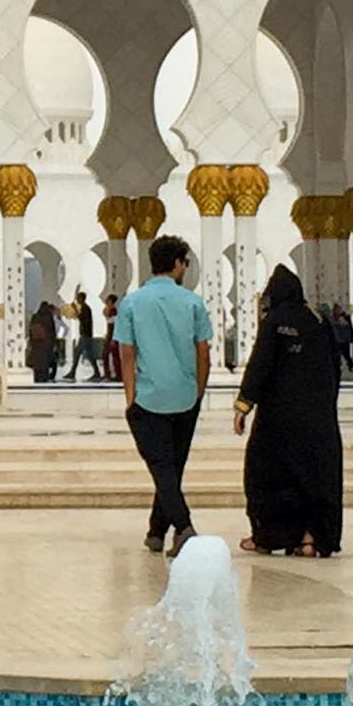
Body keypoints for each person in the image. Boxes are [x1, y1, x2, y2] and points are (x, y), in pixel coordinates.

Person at [235, 261, 345, 558]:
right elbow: (334, 368)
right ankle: (311, 538)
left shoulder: (276, 320)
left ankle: (267, 537)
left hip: (279, 421)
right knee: (315, 477)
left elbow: (261, 364)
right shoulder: (319, 321)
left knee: (267, 474)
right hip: (319, 420)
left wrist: (244, 404)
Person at [117, 234, 213, 556]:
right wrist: (198, 391)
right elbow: (203, 351)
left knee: (162, 468)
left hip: (148, 397)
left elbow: (126, 353)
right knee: (171, 467)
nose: (185, 268)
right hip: (185, 396)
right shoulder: (192, 302)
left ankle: (183, 528)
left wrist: (130, 396)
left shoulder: (132, 303)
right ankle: (157, 531)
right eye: (185, 262)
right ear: (176, 264)